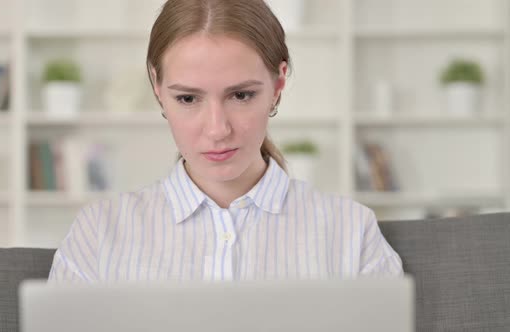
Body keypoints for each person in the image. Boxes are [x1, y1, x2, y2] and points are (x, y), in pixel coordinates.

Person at [48, 0, 403, 283]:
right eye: (188, 99)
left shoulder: (351, 234)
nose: (217, 130)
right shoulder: (99, 235)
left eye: (241, 95)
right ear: (157, 87)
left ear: (278, 84)